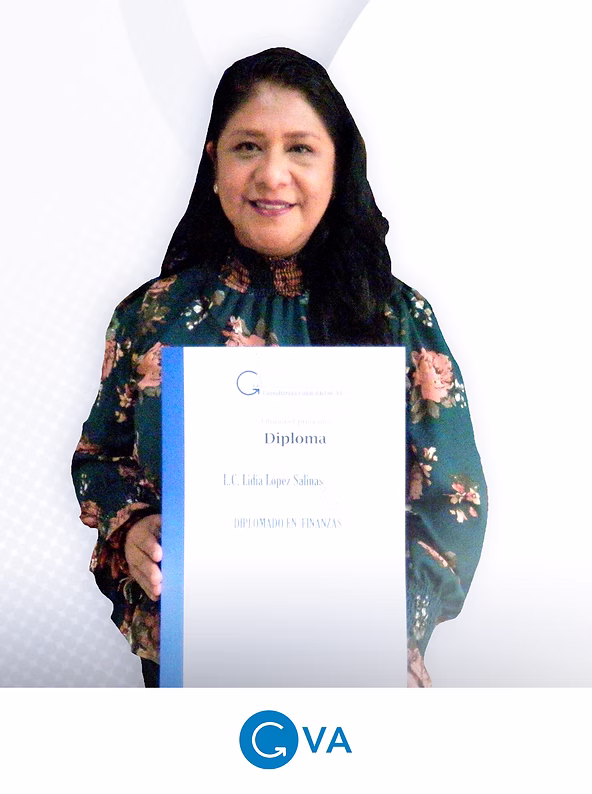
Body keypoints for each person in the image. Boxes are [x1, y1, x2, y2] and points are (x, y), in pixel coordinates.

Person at [72, 47, 487, 688]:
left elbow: (452, 502)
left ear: (337, 167)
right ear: (214, 163)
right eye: (247, 147)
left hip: (360, 665)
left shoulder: (399, 322)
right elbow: (100, 460)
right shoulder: (152, 319)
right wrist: (132, 528)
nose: (271, 174)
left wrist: (392, 628)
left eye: (300, 148)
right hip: (195, 661)